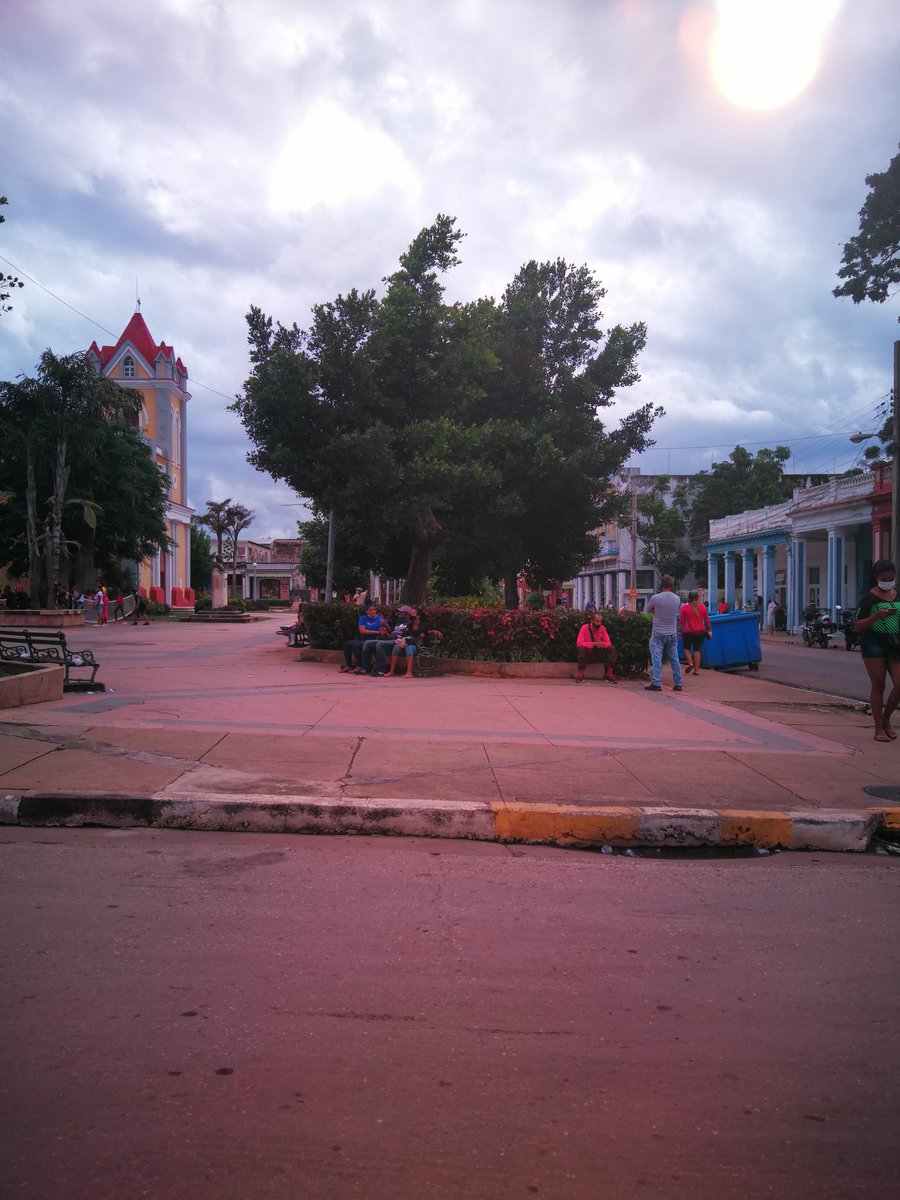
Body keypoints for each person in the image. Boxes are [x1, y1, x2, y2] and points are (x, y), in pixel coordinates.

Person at [853, 560, 900, 742]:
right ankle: (878, 727)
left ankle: (887, 718)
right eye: (884, 578)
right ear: (876, 578)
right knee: (878, 685)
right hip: (873, 642)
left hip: (895, 642)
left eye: (891, 578)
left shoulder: (897, 595)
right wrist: (877, 615)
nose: (888, 581)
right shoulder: (868, 598)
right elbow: (857, 626)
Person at [645, 575, 684, 692]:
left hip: (658, 632)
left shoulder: (655, 598)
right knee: (674, 658)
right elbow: (676, 611)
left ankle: (656, 683)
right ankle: (678, 683)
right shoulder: (677, 598)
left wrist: (656, 611)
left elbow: (648, 610)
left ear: (661, 585)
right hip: (672, 632)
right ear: (672, 585)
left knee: (656, 657)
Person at [382, 606, 430, 678]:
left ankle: (409, 672)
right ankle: (391, 671)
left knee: (409, 648)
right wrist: (416, 633)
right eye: (410, 613)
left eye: (412, 613)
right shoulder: (410, 624)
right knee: (396, 647)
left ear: (418, 616)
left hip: (418, 645)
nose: (410, 615)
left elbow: (420, 633)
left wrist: (414, 632)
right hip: (407, 643)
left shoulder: (424, 624)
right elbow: (405, 633)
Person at [575, 610, 618, 684]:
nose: (599, 624)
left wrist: (602, 644)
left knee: (612, 648)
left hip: (599, 652)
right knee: (582, 648)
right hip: (588, 653)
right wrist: (594, 644)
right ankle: (580, 674)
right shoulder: (584, 628)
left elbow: (608, 643)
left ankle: (609, 674)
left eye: (600, 621)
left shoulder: (602, 628)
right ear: (592, 621)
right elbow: (579, 643)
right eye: (597, 621)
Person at [344, 604, 389, 673]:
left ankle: (359, 666)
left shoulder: (380, 619)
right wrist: (377, 632)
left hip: (375, 640)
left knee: (357, 646)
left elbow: (388, 630)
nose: (372, 612)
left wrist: (385, 625)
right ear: (367, 612)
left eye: (374, 610)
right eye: (370, 610)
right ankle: (348, 665)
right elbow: (362, 631)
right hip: (365, 639)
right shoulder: (363, 618)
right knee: (347, 644)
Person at [678, 590, 712, 677]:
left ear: (689, 599)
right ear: (698, 598)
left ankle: (690, 663)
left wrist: (678, 631)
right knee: (697, 650)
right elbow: (707, 621)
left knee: (687, 649)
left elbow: (681, 621)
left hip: (688, 632)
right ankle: (696, 670)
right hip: (700, 632)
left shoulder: (684, 608)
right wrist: (709, 631)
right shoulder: (702, 608)